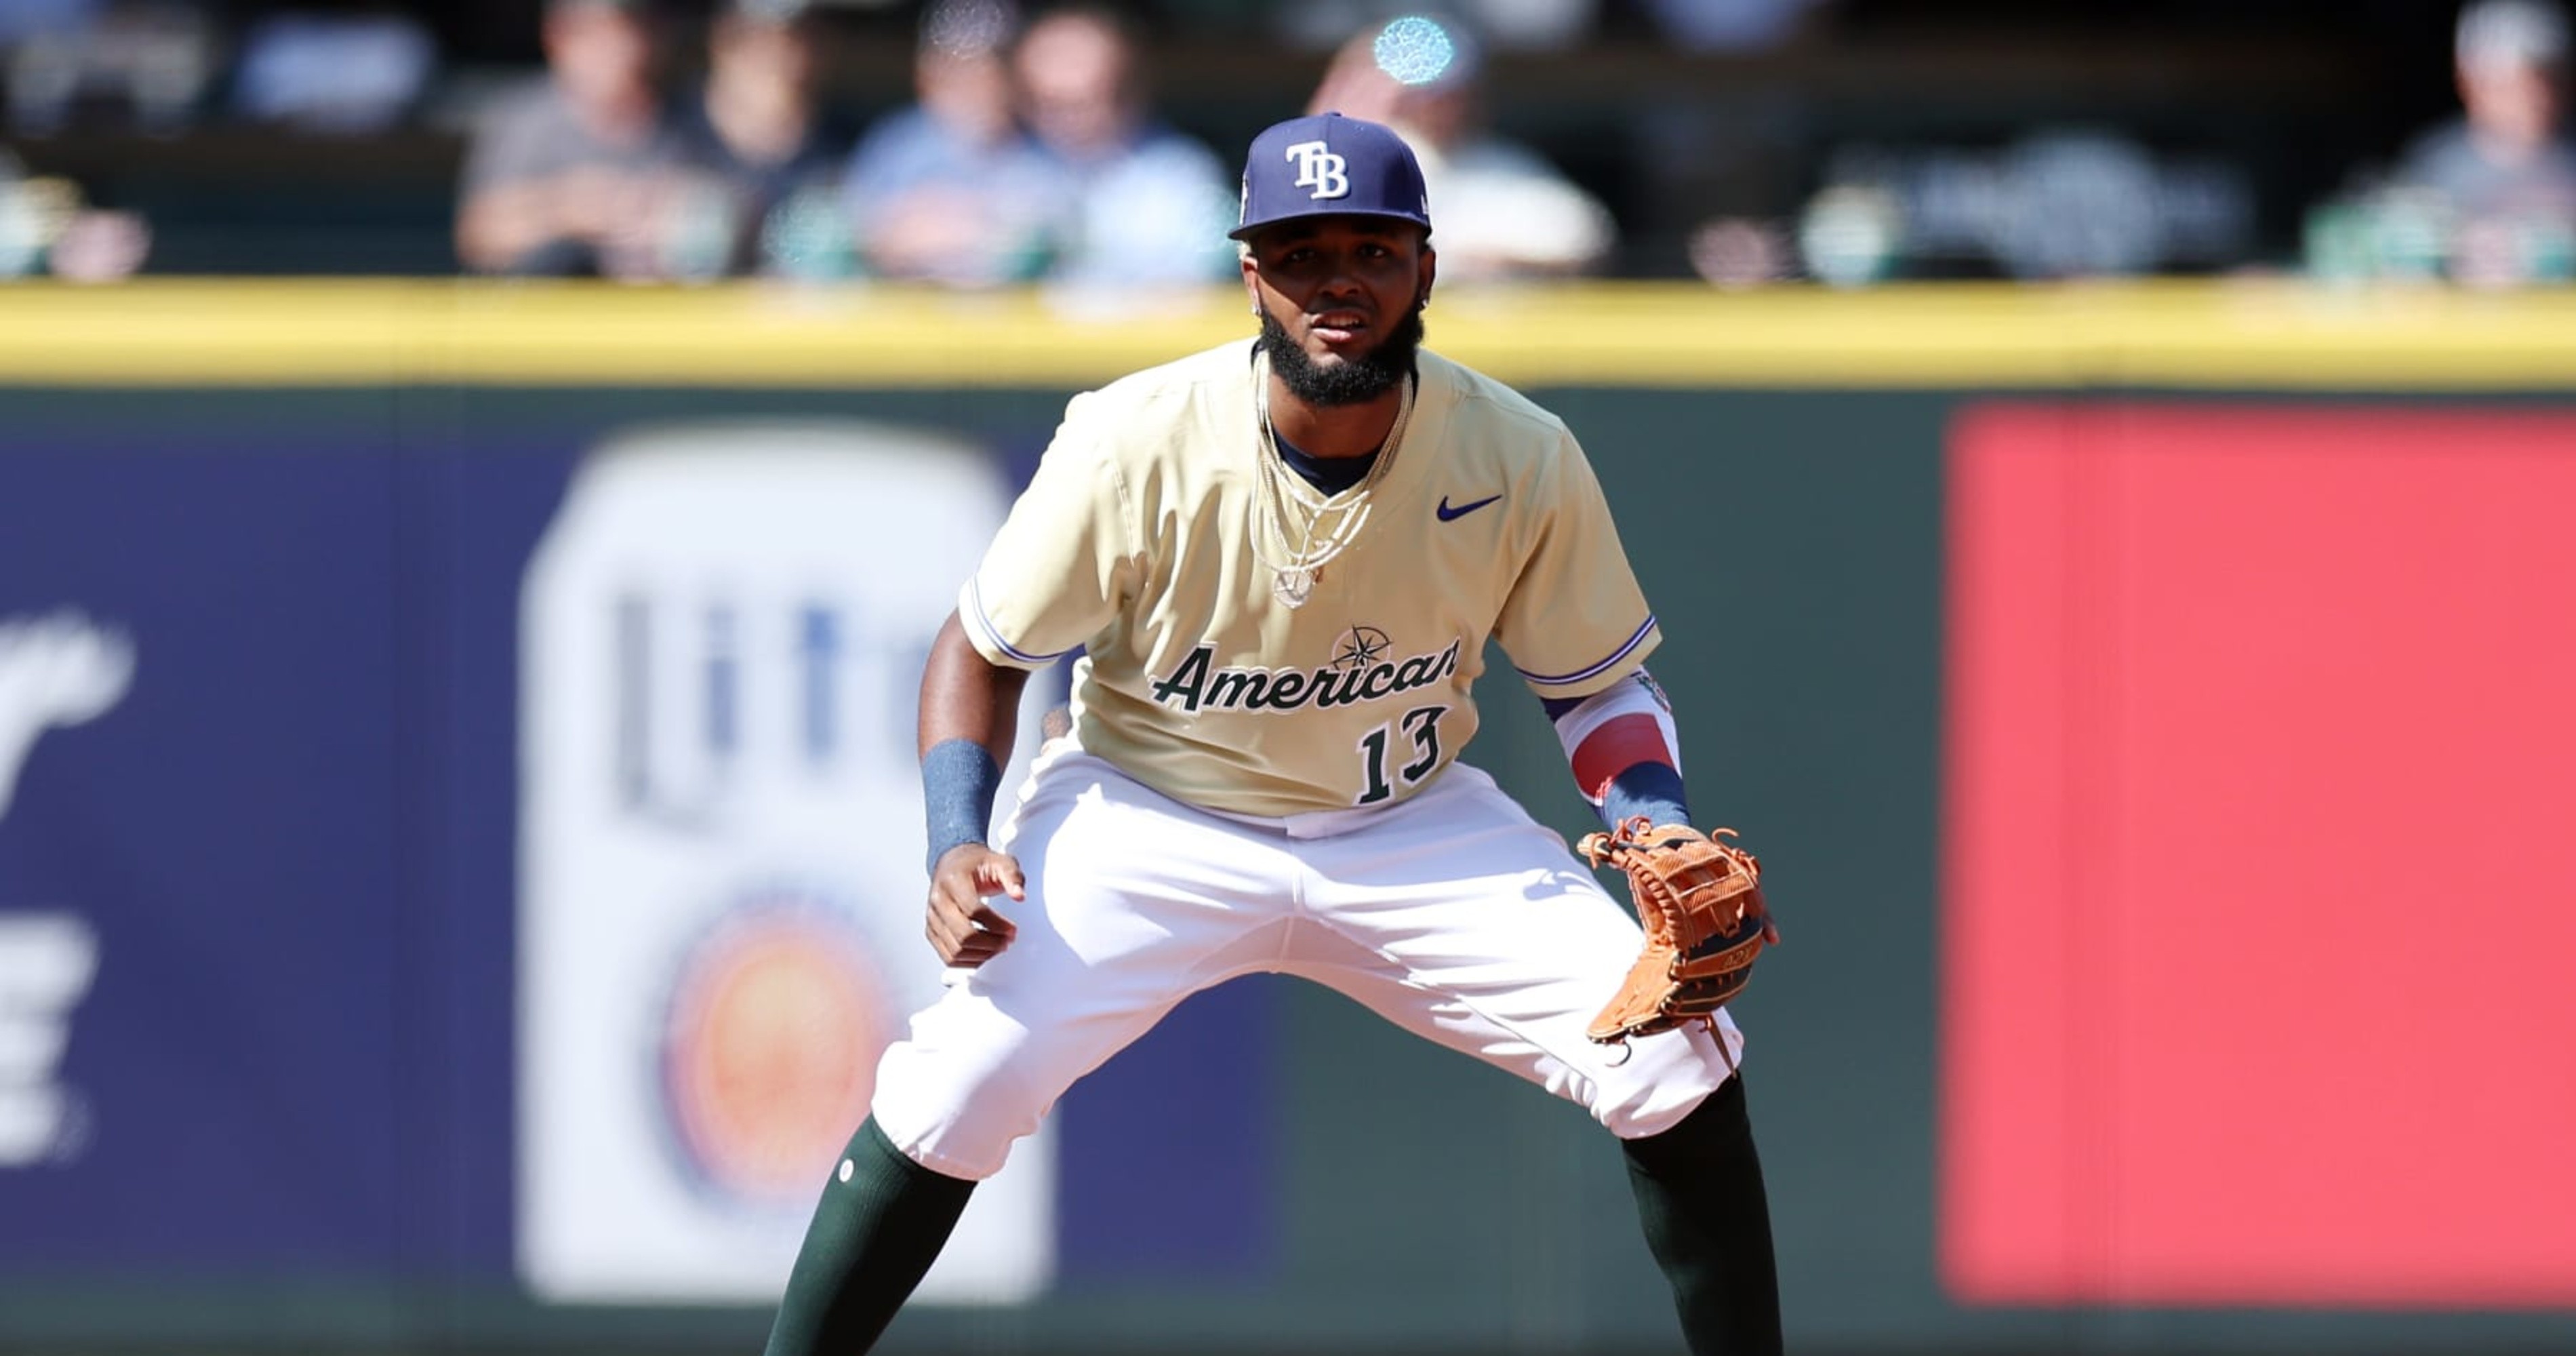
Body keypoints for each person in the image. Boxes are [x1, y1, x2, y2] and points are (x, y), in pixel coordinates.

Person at [761, 112, 1783, 1356]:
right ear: (1252, 272)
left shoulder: (1518, 453)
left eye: (1370, 247)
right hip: (1150, 813)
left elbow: (1596, 685)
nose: (1335, 279)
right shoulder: (1133, 440)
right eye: (1300, 252)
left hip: (1406, 822)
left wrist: (1654, 814)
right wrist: (952, 842)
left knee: (1677, 1057)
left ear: (1426, 267)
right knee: (954, 1089)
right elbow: (980, 653)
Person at [1306, 14, 1614, 280]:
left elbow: (1585, 241)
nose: (1432, 106)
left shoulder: (1505, 169)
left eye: (1444, 94)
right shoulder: (1331, 166)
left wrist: (1488, 261)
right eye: (1412, 95)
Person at [1011, 3, 1236, 290]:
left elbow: (1206, 281)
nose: (1066, 122)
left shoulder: (1185, 180)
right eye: (1047, 104)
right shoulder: (1008, 168)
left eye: (1084, 102)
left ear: (1131, 90)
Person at [454, 0, 687, 277]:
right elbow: (477, 236)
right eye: (601, 34)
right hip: (542, 310)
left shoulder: (685, 115)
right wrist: (567, 209)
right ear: (559, 37)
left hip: (658, 306)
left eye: (636, 31)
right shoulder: (528, 122)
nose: (623, 49)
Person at [838, 0, 1060, 285]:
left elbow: (1053, 240)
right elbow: (854, 240)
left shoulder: (1042, 146)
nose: (978, 81)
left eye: (991, 66)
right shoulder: (897, 145)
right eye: (957, 68)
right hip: (910, 316)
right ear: (928, 72)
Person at [2386, 0, 2576, 283]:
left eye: (2548, 76)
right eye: (2510, 80)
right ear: (2467, 80)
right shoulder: (2432, 167)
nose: (2534, 94)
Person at [663, 0, 849, 277]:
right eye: (758, 43)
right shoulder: (669, 131)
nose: (779, 61)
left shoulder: (846, 145)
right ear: (721, 44)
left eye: (795, 41)